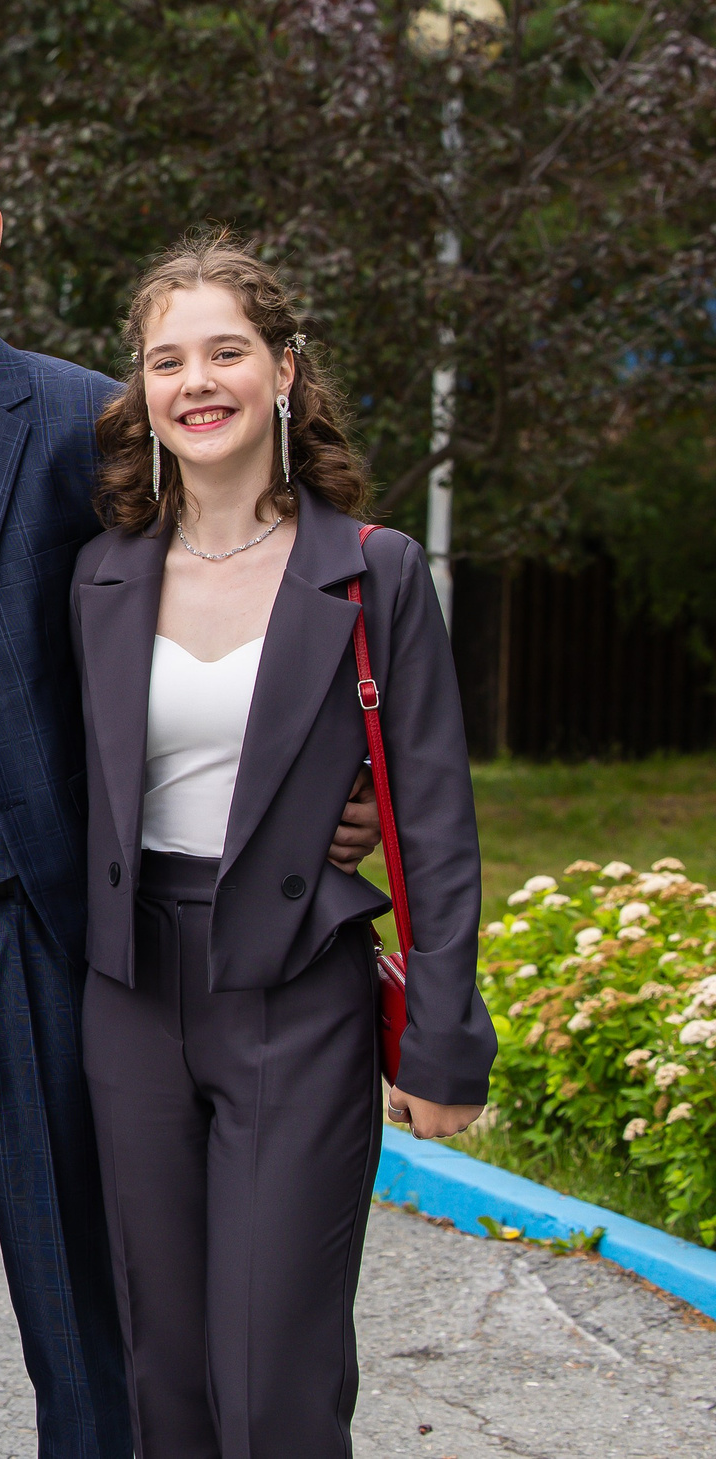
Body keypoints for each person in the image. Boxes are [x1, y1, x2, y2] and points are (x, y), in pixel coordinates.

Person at [0, 114, 383, 1458]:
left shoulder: (98, 419)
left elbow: (245, 581)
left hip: (44, 932)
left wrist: (319, 784)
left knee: (82, 1311)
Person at [70, 237, 493, 1458]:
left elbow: (435, 820)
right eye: (166, 360)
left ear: (283, 373)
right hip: (131, 993)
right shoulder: (99, 575)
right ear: (141, 391)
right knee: (167, 1379)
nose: (195, 381)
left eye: (225, 352)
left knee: (275, 1379)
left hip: (296, 993)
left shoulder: (371, 571)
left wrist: (448, 1040)